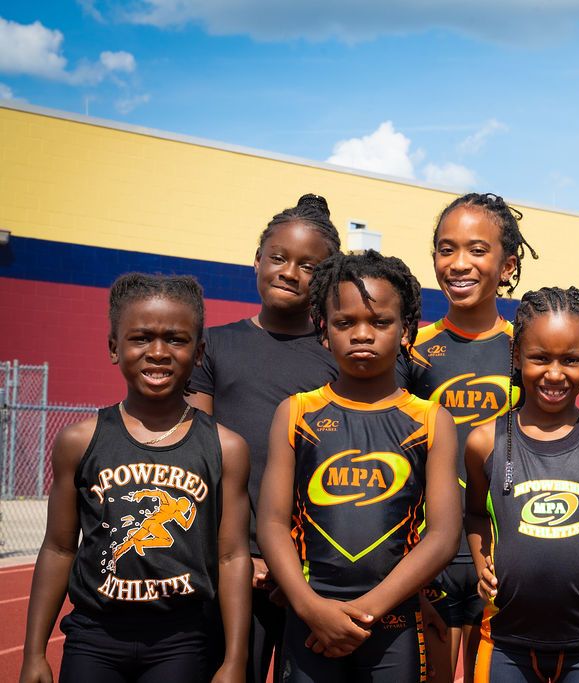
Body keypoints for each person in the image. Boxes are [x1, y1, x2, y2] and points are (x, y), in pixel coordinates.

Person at [20, 273, 251, 683]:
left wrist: (234, 659)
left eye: (176, 340)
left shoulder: (225, 448)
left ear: (199, 353)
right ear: (114, 347)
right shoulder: (80, 441)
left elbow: (232, 556)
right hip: (94, 637)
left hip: (184, 639)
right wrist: (34, 653)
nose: (158, 352)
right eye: (141, 338)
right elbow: (58, 549)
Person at [257, 251, 461, 682]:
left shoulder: (430, 419)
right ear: (324, 331)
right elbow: (272, 525)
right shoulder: (295, 413)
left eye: (380, 322)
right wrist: (311, 607)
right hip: (310, 621)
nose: (362, 335)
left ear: (406, 329)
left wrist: (364, 613)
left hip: (393, 626)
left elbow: (443, 536)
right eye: (345, 323)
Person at [465, 286, 579, 682]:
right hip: (504, 642)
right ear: (517, 355)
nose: (554, 373)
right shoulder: (485, 441)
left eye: (570, 360)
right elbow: (475, 515)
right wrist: (482, 562)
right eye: (540, 358)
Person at [188, 193, 340, 683]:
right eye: (278, 257)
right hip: (234, 566)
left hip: (316, 572)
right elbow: (197, 459)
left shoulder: (339, 357)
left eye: (308, 265)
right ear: (257, 260)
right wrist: (236, 551)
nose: (290, 272)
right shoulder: (215, 346)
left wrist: (298, 562)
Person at [397, 192, 537, 678]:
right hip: (427, 552)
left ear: (508, 265)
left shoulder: (530, 352)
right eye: (445, 248)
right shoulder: (413, 351)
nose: (459, 263)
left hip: (504, 550)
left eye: (477, 250)